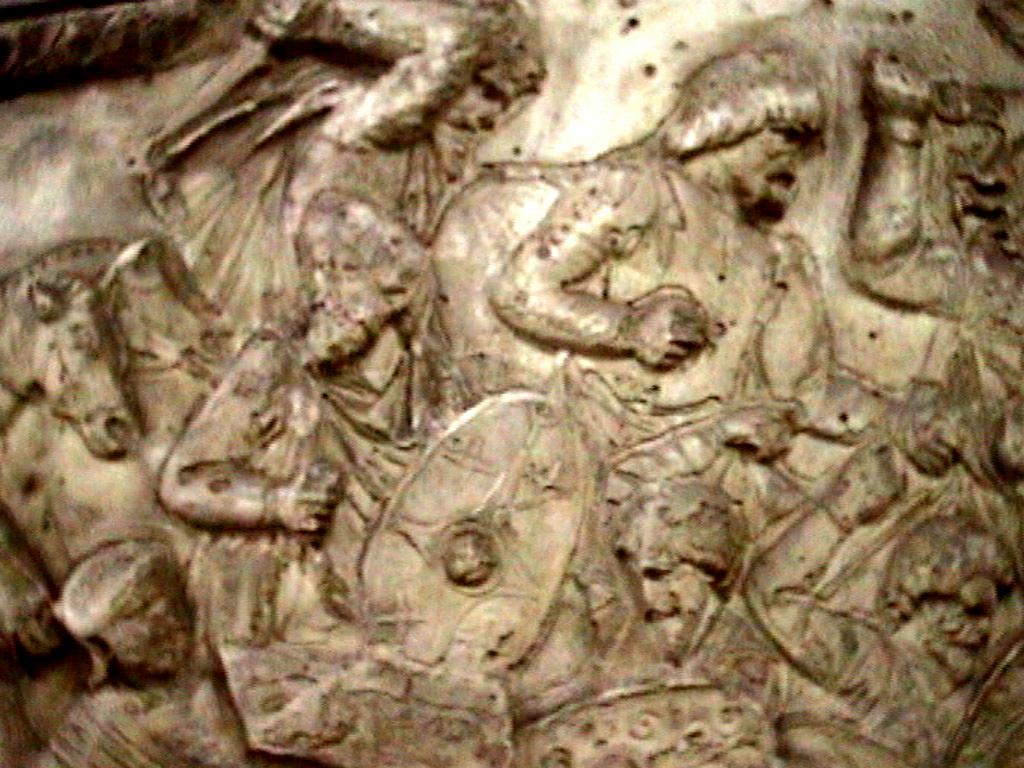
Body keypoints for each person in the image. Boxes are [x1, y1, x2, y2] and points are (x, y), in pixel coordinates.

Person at [144, 0, 543, 337]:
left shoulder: (428, 160)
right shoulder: (372, 114)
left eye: (504, 104)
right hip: (275, 283)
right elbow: (454, 42)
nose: (489, 117)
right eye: (487, 92)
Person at [159, 188, 432, 648]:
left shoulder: (425, 381)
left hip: (401, 614)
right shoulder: (275, 365)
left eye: (346, 271)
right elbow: (183, 482)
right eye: (315, 271)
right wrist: (276, 502)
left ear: (394, 289)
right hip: (279, 617)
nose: (323, 294)